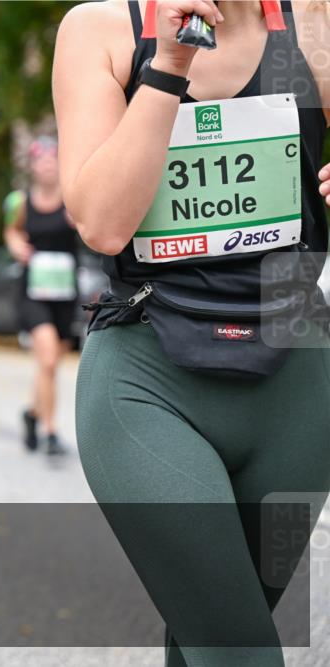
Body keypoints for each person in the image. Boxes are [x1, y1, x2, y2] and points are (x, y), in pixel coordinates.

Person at [54, 1, 330, 664]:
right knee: (240, 651)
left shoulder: (314, 19)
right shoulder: (101, 29)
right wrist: (169, 65)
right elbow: (101, 224)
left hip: (298, 388)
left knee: (211, 634)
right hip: (147, 379)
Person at [4, 137, 77, 456]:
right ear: (32, 166)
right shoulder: (19, 201)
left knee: (51, 364)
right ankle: (50, 432)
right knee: (47, 358)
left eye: (53, 158)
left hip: (64, 291)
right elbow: (12, 230)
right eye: (41, 159)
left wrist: (81, 221)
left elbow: (93, 229)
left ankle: (32, 414)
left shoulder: (72, 197)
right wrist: (15, 245)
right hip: (32, 291)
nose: (48, 164)